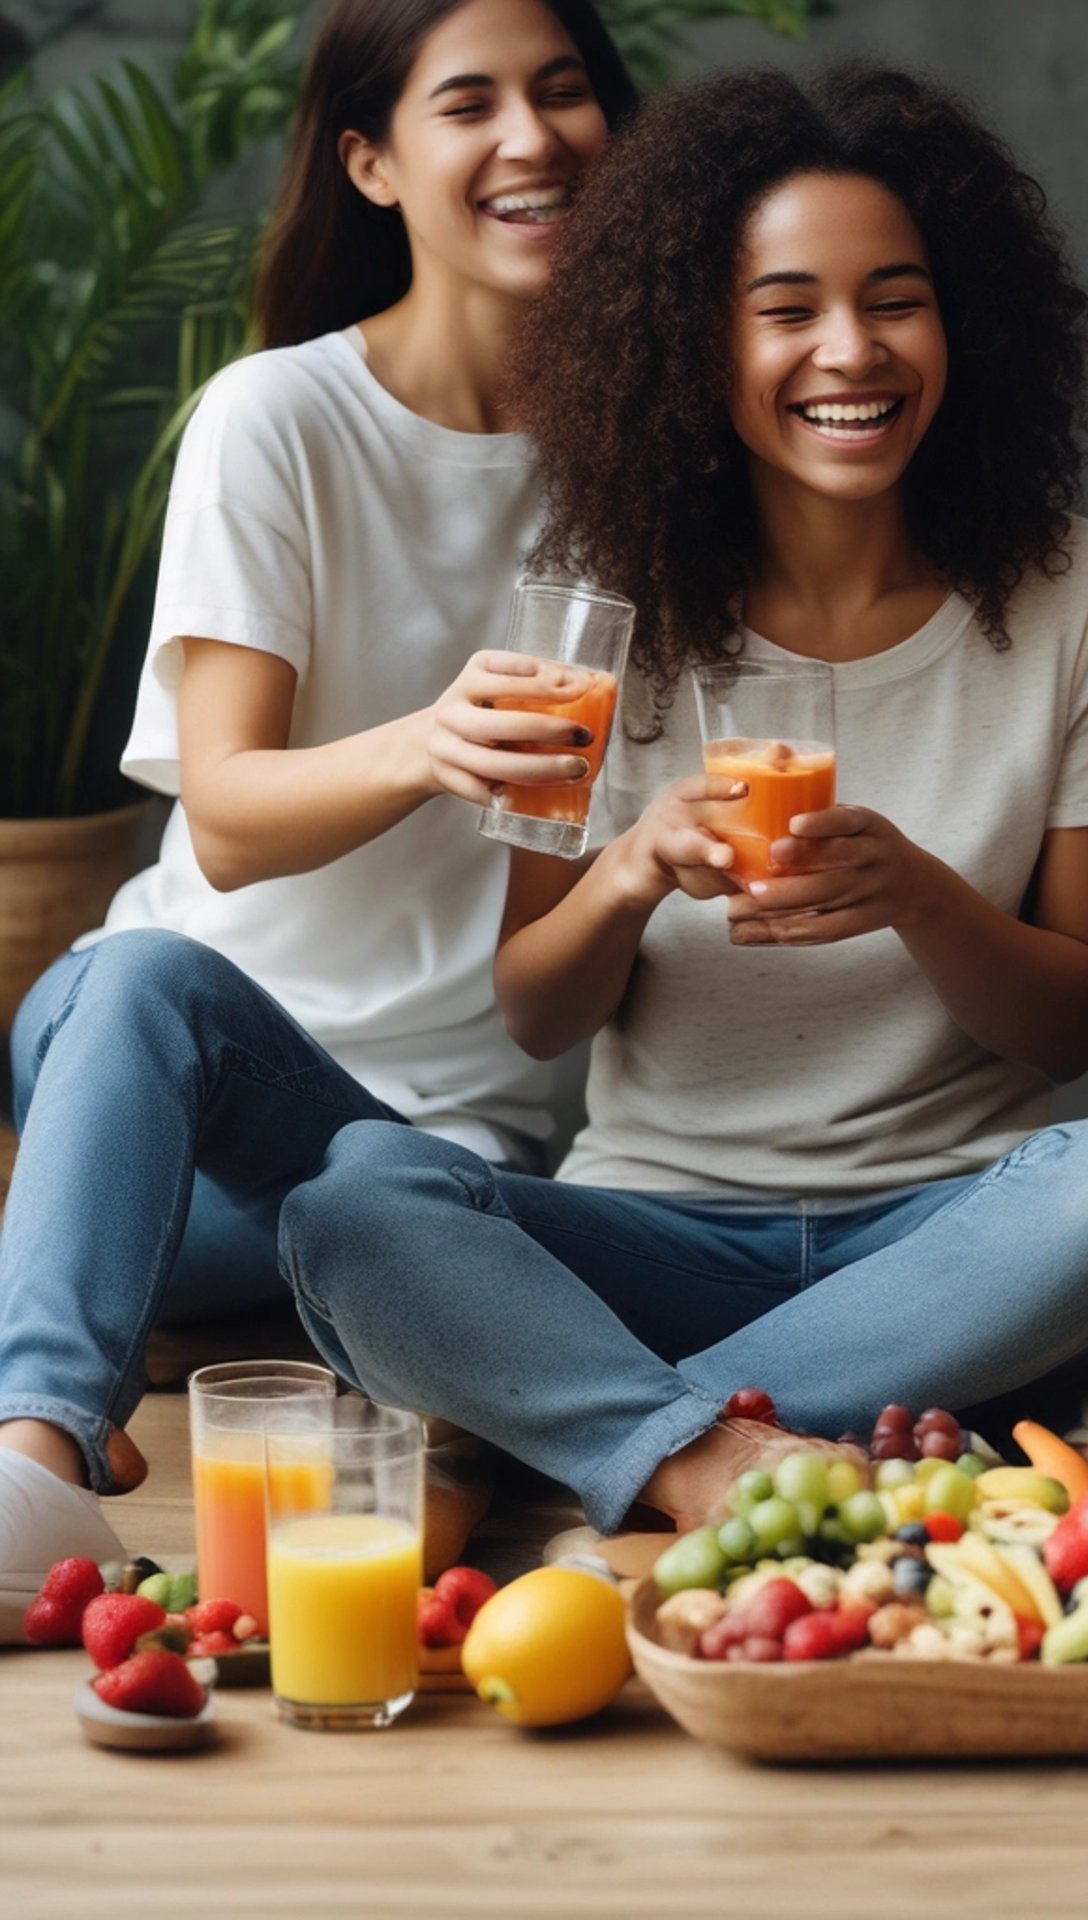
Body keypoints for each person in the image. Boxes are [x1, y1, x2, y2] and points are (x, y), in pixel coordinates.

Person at [277, 66, 1088, 1537]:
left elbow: (1074, 1020)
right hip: (651, 1226)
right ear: (693, 343)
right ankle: (755, 1443)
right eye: (787, 310)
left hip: (949, 1230)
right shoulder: (588, 617)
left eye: (896, 299)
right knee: (355, 1204)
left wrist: (918, 894)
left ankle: (589, 1425)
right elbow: (536, 1008)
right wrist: (635, 866)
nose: (852, 351)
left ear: (960, 318)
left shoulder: (1076, 591)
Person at [0, 0, 638, 1637]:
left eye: (565, 93)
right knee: (138, 987)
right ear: (371, 161)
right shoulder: (278, 417)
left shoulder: (650, 471)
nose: (533, 137)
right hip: (172, 1075)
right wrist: (432, 743)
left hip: (432, 1149)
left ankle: (245, 1340)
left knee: (374, 1222)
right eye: (470, 102)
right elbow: (222, 817)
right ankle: (39, 1455)